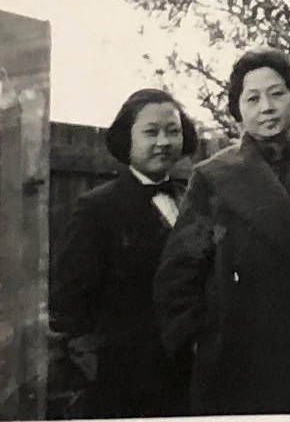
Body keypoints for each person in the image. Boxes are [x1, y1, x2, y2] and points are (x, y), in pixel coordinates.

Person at [154, 47, 290, 415]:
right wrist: (203, 342)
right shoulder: (213, 178)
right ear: (238, 110)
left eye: (277, 93)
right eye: (252, 98)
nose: (266, 107)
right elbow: (178, 276)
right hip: (234, 361)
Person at [50, 88, 198, 418]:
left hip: (186, 376)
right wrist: (96, 363)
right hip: (122, 383)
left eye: (173, 131)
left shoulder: (192, 200)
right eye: (151, 132)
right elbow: (68, 302)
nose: (163, 142)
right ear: (126, 139)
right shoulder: (97, 208)